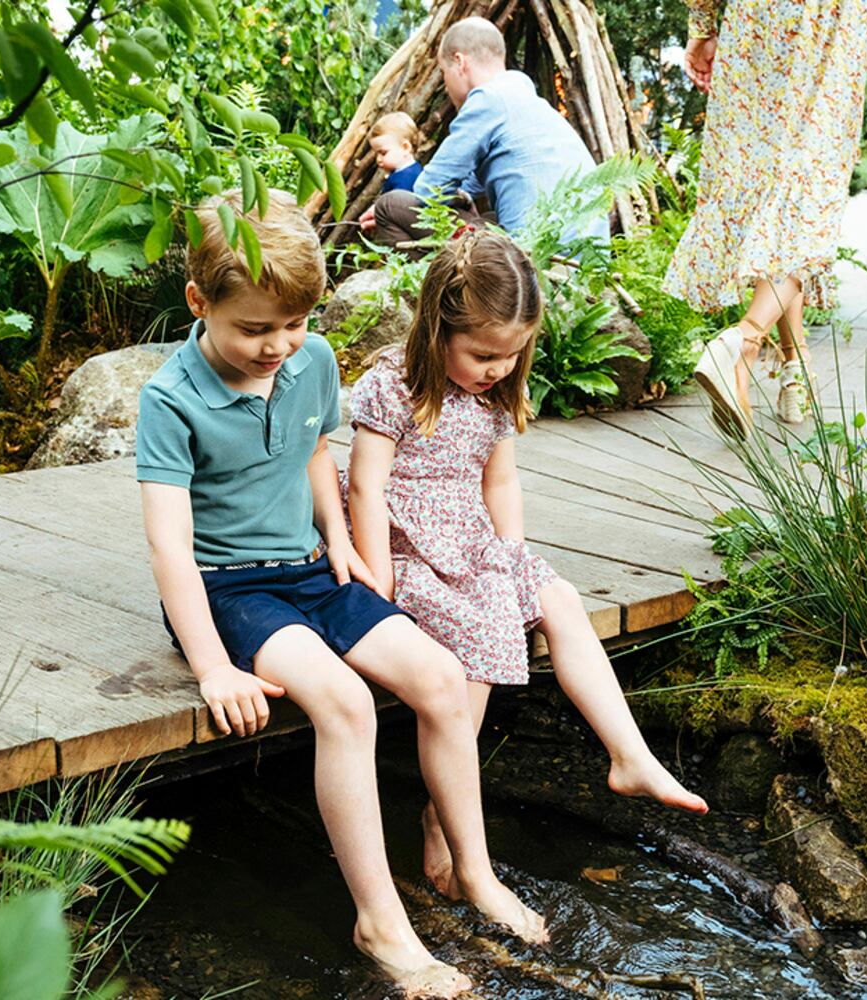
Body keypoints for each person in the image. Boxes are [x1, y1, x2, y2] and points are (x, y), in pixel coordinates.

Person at [136, 190, 546, 998]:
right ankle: (380, 923)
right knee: (347, 705)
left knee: (437, 679)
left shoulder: (310, 360)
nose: (276, 347)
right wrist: (215, 667)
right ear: (198, 302)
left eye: (292, 325)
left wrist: (346, 542)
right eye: (254, 328)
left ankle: (475, 868)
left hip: (314, 569)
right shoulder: (169, 398)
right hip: (228, 591)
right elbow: (169, 548)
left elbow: (318, 456)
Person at [345, 227, 709, 896]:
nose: (498, 369)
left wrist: (511, 555)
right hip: (407, 546)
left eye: (513, 355)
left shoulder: (492, 394)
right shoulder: (391, 387)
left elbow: (500, 482)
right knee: (483, 634)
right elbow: (365, 486)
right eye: (484, 354)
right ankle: (443, 819)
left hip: (474, 538)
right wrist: (379, 582)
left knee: (559, 600)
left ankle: (629, 755)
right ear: (436, 329)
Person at [668, 0, 867, 435]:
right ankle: (742, 344)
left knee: (777, 193)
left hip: (758, 21)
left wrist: (702, 22)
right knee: (808, 195)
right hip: (834, 22)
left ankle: (794, 365)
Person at [361, 17, 604, 249]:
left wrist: (414, 203)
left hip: (533, 258)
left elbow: (429, 189)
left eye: (444, 74)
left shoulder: (487, 100)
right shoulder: (522, 97)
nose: (446, 87)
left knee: (388, 206)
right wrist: (463, 197)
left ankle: (430, 290)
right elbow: (474, 181)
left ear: (459, 62)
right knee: (487, 218)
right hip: (577, 253)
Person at [371, 111, 424, 194]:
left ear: (405, 148)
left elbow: (396, 205)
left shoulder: (407, 179)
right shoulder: (401, 173)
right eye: (376, 154)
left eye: (383, 153)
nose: (378, 159)